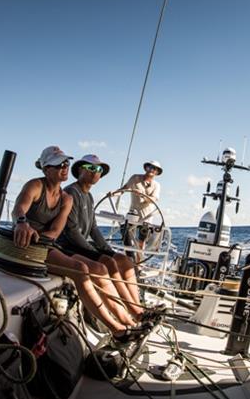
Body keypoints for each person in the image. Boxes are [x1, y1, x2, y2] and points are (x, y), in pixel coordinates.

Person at [12, 146, 147, 342]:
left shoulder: (65, 198)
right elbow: (19, 208)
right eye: (59, 164)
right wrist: (22, 223)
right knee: (80, 269)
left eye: (66, 163)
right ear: (45, 168)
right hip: (28, 246)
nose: (64, 167)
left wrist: (39, 237)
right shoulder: (36, 186)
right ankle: (118, 329)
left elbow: (56, 231)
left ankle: (132, 319)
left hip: (45, 245)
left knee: (98, 266)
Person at [59, 154, 144, 320]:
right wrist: (95, 253)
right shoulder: (71, 192)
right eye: (90, 168)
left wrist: (108, 250)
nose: (95, 172)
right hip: (67, 246)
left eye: (98, 169)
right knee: (108, 262)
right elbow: (71, 231)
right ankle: (134, 313)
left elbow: (93, 228)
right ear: (80, 170)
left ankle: (137, 307)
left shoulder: (89, 196)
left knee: (124, 260)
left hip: (81, 245)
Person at [121, 160, 162, 251]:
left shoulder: (157, 185)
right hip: (133, 215)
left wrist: (142, 195)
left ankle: (138, 262)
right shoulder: (135, 178)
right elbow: (124, 189)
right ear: (146, 168)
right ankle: (129, 258)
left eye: (154, 168)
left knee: (141, 242)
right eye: (150, 167)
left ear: (157, 172)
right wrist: (113, 193)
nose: (151, 169)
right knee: (127, 237)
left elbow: (154, 199)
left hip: (146, 218)